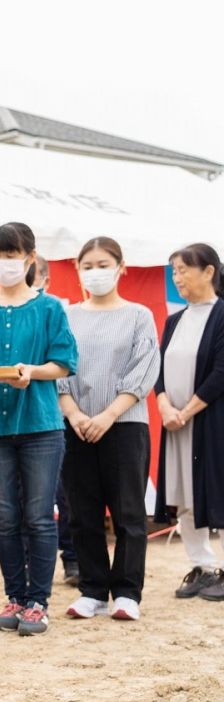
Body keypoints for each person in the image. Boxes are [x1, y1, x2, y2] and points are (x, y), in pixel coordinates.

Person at [0, 222, 78, 636]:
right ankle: (15, 597)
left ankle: (38, 602)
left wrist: (31, 372)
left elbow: (63, 363)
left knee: (39, 516)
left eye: (10, 255)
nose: (3, 264)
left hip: (41, 424)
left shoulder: (50, 308)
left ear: (30, 257)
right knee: (4, 517)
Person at [57, 237, 160, 620]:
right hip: (76, 424)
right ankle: (93, 589)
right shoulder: (66, 316)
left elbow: (144, 369)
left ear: (121, 267)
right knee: (81, 512)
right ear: (78, 270)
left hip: (125, 424)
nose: (95, 272)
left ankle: (128, 592)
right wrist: (74, 413)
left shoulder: (138, 315)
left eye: (103, 264)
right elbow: (57, 369)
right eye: (88, 265)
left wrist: (107, 415)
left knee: (128, 511)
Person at [155, 243, 224, 600]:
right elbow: (159, 370)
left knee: (218, 490)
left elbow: (220, 373)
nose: (177, 278)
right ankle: (204, 567)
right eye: (174, 272)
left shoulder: (222, 314)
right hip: (177, 426)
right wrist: (166, 406)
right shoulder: (174, 320)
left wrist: (186, 411)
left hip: (210, 424)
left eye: (183, 270)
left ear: (209, 271)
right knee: (183, 492)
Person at [34, 254, 79, 586]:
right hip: (19, 419)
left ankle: (73, 558)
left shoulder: (58, 313)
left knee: (67, 494)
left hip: (58, 415)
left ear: (47, 281)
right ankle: (27, 563)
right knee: (27, 499)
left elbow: (69, 366)